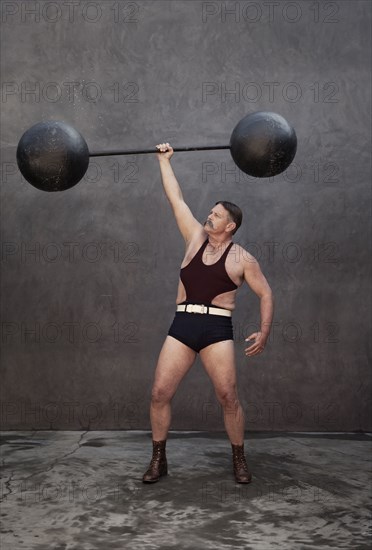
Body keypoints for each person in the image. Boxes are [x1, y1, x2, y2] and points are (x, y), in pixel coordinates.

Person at [142, 143, 274, 484]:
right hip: (183, 324)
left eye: (216, 214)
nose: (209, 215)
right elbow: (177, 199)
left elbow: (265, 293)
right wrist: (163, 161)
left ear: (230, 226)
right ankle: (159, 459)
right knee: (159, 394)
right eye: (211, 211)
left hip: (216, 329)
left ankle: (239, 459)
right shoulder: (194, 237)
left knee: (228, 397)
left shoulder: (243, 258)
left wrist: (264, 330)